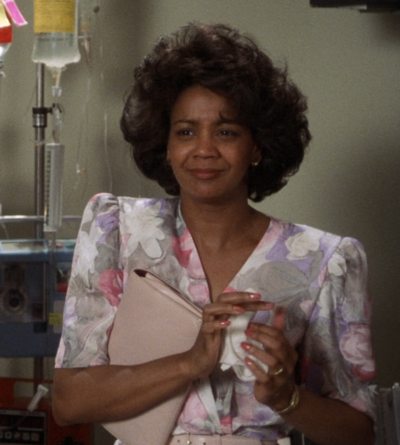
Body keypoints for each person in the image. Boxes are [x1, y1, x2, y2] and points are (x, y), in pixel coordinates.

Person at [52, 23, 377, 445]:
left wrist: (287, 398)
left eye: (226, 132)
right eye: (186, 131)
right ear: (166, 144)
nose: (204, 149)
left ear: (256, 146)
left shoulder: (325, 260)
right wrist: (190, 363)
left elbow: (359, 433)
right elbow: (69, 402)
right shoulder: (115, 230)